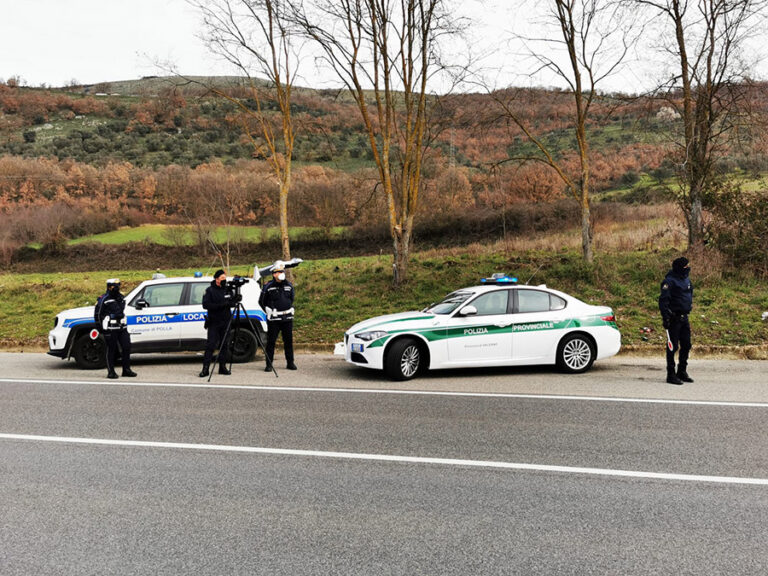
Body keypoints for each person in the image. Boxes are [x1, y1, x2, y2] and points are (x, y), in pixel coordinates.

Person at [659, 256, 694, 385]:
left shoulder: (687, 280)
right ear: (680, 268)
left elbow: (690, 294)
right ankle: (671, 374)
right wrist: (666, 317)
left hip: (685, 318)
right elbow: (663, 301)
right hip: (674, 319)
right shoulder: (669, 281)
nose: (688, 268)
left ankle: (682, 371)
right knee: (672, 347)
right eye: (685, 266)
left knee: (686, 345)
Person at [94, 278, 137, 379]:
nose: (117, 288)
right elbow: (98, 315)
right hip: (110, 328)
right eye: (115, 286)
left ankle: (126, 370)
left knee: (126, 347)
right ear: (109, 287)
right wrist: (101, 329)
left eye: (118, 285)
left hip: (122, 327)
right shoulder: (103, 299)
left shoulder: (121, 297)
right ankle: (111, 372)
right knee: (111, 349)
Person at [259, 261, 296, 371]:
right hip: (274, 319)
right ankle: (269, 364)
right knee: (271, 342)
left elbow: (291, 299)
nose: (281, 273)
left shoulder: (289, 286)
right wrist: (267, 310)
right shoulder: (268, 287)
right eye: (278, 272)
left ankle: (290, 363)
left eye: (282, 271)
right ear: (274, 274)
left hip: (287, 318)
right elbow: (261, 301)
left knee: (288, 341)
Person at [200, 269, 235, 377]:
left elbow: (232, 302)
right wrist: (221, 305)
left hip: (226, 321)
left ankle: (222, 367)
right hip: (214, 322)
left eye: (225, 278)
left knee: (224, 344)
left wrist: (234, 300)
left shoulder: (228, 290)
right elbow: (205, 305)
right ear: (217, 279)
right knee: (211, 345)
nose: (224, 280)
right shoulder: (209, 290)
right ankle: (205, 369)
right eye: (222, 278)